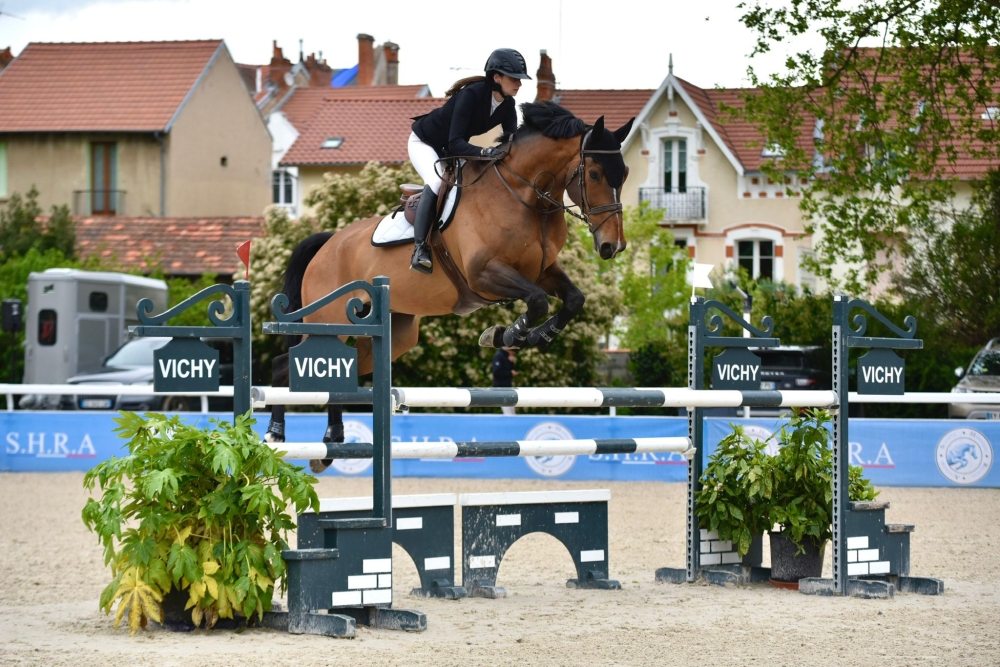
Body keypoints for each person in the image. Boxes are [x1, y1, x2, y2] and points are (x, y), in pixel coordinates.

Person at [407, 48, 531, 273]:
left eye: (520, 79)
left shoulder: (508, 105)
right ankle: (420, 249)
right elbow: (455, 142)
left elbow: (512, 143)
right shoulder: (471, 95)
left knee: (473, 186)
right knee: (436, 184)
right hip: (425, 143)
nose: (519, 84)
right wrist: (485, 153)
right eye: (514, 79)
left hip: (450, 152)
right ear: (497, 77)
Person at [492, 347, 518, 415]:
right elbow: (496, 372)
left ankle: (512, 425)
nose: (514, 353)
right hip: (501, 388)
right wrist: (510, 373)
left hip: (507, 388)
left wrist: (510, 362)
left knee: (512, 412)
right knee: (508, 412)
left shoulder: (506, 357)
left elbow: (508, 369)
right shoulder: (499, 356)